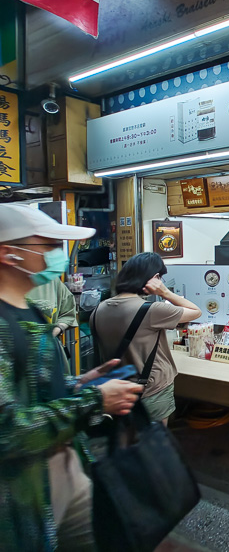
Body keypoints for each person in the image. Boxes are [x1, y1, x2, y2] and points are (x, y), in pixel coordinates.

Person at [0, 203, 144, 551]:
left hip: (65, 465)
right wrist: (94, 400)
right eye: (46, 246)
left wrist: (79, 382)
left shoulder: (29, 308)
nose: (56, 255)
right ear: (9, 254)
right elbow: (7, 430)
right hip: (24, 494)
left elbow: (32, 387)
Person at [91, 253, 201, 425]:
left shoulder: (98, 310)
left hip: (117, 390)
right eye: (160, 278)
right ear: (155, 278)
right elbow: (195, 311)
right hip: (152, 390)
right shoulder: (151, 311)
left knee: (125, 440)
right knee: (155, 444)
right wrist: (165, 293)